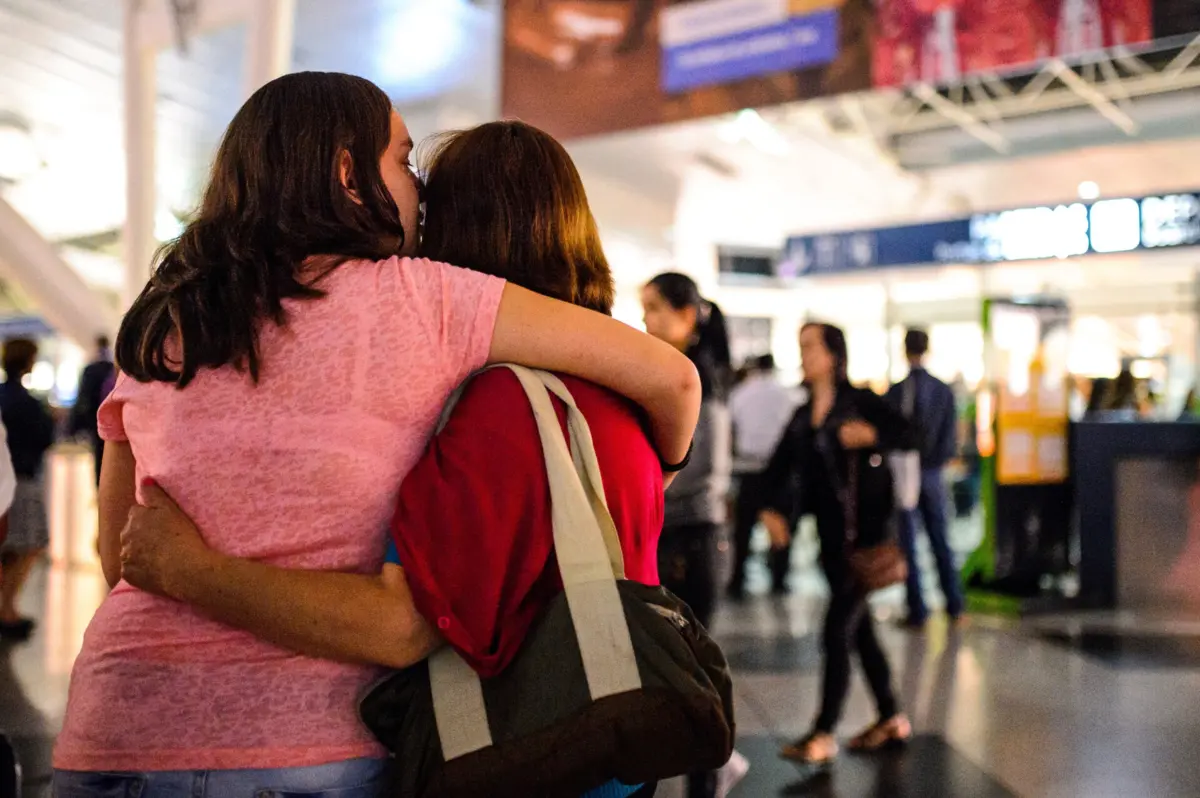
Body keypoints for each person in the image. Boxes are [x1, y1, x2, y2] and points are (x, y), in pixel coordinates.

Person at [53, 73, 700, 796]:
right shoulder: (423, 298)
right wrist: (661, 467)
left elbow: (123, 557)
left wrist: (190, 570)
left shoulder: (161, 320)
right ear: (346, 173)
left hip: (113, 728)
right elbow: (672, 378)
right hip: (304, 748)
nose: (419, 188)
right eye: (403, 160)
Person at [759, 323, 912, 765]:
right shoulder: (804, 414)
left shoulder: (860, 402)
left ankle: (823, 732)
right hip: (829, 542)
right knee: (860, 633)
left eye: (809, 346)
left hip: (864, 541)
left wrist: (872, 437)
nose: (803, 354)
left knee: (836, 631)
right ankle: (891, 717)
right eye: (800, 345)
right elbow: (778, 467)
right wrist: (771, 509)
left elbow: (912, 435)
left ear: (833, 355)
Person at [640, 272, 733, 798]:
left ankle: (708, 778)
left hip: (694, 537)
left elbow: (705, 471)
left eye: (655, 308)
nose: (646, 320)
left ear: (688, 316)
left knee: (691, 671)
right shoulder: (677, 371)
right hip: (680, 535)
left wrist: (646, 484)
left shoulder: (698, 377)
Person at [886, 330, 964, 629]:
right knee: (940, 539)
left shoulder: (897, 391)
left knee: (908, 542)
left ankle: (917, 608)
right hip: (933, 473)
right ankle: (954, 604)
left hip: (906, 472)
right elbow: (949, 435)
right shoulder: (942, 391)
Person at [727, 353, 797, 599]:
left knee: (743, 529)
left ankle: (737, 580)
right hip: (779, 472)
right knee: (781, 526)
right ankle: (779, 579)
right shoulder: (786, 394)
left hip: (748, 469)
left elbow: (731, 430)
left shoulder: (741, 393)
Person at [0, 339, 55, 641]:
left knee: (8, 547)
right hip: (21, 480)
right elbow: (44, 437)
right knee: (30, 544)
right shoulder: (25, 402)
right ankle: (7, 609)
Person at [69, 335, 115, 486]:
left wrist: (74, 426)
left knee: (99, 456)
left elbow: (83, 398)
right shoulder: (112, 368)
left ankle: (100, 488)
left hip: (96, 421)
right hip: (112, 421)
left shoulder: (91, 369)